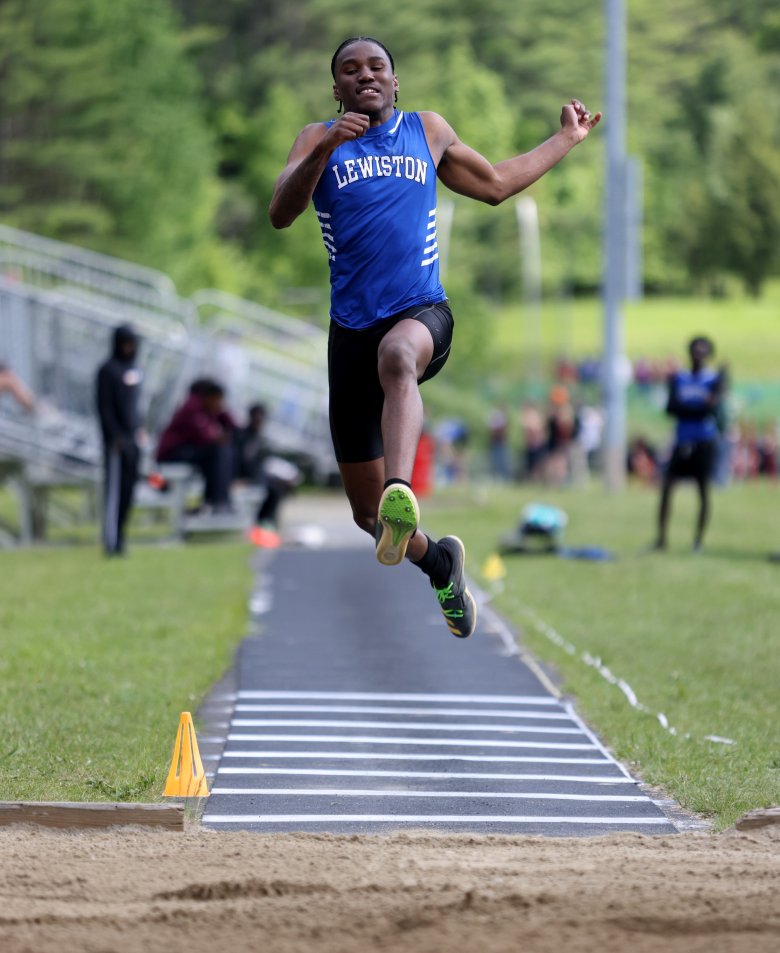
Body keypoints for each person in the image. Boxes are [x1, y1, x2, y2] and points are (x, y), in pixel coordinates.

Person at [269, 36, 601, 638]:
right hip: (350, 333)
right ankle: (439, 563)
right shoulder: (315, 138)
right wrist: (324, 148)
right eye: (351, 70)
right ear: (336, 88)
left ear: (395, 82)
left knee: (398, 357)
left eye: (377, 67)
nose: (365, 75)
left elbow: (495, 184)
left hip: (421, 312)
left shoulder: (427, 131)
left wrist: (567, 139)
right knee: (368, 518)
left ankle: (402, 488)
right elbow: (280, 212)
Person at [653, 336, 724, 552]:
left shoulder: (713, 379)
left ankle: (698, 541)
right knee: (667, 487)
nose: (698, 355)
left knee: (702, 491)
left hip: (704, 441)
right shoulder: (679, 378)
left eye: (703, 351)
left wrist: (688, 408)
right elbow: (671, 408)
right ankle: (661, 540)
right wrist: (698, 407)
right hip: (682, 440)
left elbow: (712, 409)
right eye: (695, 350)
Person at [95, 324, 143, 555]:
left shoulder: (134, 369)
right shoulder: (107, 370)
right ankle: (112, 541)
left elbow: (134, 408)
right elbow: (104, 408)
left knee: (129, 489)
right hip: (116, 443)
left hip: (133, 439)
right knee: (114, 490)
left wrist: (138, 430)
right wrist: (115, 435)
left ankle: (121, 534)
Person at [156, 378, 237, 513]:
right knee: (218, 452)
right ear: (208, 396)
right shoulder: (192, 407)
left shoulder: (207, 409)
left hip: (187, 452)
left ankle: (219, 501)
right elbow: (205, 437)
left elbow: (234, 427)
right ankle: (215, 502)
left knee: (225, 451)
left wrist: (222, 411)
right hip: (170, 454)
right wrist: (219, 436)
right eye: (217, 400)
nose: (219, 404)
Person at [234, 403, 300, 528]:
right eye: (256, 417)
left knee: (279, 486)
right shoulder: (241, 437)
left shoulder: (260, 439)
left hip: (258, 476)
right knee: (272, 489)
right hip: (244, 477)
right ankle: (263, 521)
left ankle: (268, 522)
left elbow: (264, 464)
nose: (259, 420)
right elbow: (238, 462)